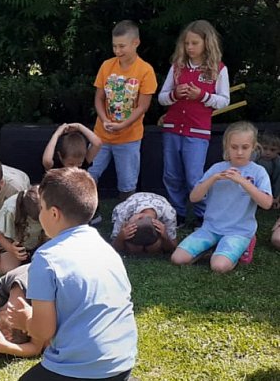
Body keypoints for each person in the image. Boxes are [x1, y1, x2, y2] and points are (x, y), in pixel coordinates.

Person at [2, 167, 157, 381]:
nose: (40, 214)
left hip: (82, 369)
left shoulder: (47, 258)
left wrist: (24, 320)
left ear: (55, 214)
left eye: (42, 208)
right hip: (123, 360)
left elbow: (44, 333)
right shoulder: (104, 246)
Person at [171, 121, 273, 273]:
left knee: (218, 267)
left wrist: (242, 181)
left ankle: (245, 243)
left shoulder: (258, 172)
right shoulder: (217, 168)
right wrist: (213, 179)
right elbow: (194, 198)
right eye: (234, 147)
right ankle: (212, 247)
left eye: (244, 147)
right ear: (227, 147)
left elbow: (266, 203)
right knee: (177, 259)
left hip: (239, 231)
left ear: (253, 147)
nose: (239, 152)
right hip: (211, 228)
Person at [159, 20, 230, 227]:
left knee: (194, 176)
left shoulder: (218, 69)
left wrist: (202, 96)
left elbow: (224, 100)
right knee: (171, 174)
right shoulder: (177, 67)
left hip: (197, 131)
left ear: (207, 43)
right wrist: (174, 94)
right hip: (172, 128)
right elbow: (162, 98)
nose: (189, 48)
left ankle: (202, 215)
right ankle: (177, 213)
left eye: (194, 43)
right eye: (187, 43)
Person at [88, 20, 158, 203]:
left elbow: (143, 106)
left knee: (127, 184)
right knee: (87, 176)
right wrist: (104, 120)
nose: (117, 51)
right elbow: (99, 98)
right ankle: (87, 214)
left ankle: (126, 218)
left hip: (129, 138)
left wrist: (122, 125)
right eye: (114, 46)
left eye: (122, 46)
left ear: (136, 43)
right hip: (101, 135)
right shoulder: (106, 66)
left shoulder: (145, 70)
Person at [0, 186, 46, 275]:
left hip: (41, 240)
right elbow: (0, 236)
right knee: (6, 270)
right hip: (15, 242)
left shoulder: (52, 201)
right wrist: (12, 249)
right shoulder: (10, 209)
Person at [110, 192, 178, 254]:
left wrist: (165, 236)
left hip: (159, 201)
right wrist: (120, 237)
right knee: (134, 249)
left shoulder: (169, 214)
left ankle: (151, 246)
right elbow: (113, 247)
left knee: (153, 248)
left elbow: (173, 248)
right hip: (132, 201)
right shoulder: (124, 212)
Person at [256, 131, 280, 209]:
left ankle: (275, 200)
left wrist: (276, 198)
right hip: (255, 190)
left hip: (273, 190)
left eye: (272, 150)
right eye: (265, 148)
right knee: (265, 163)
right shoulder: (254, 159)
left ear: (278, 151)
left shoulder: (277, 161)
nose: (268, 153)